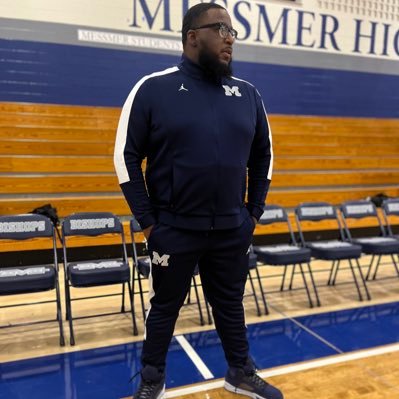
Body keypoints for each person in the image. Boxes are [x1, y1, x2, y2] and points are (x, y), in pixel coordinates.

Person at [114, 3, 283, 399]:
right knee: (164, 308)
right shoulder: (154, 87)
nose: (230, 38)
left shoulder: (247, 94)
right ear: (193, 36)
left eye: (233, 32)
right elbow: (125, 155)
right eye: (221, 28)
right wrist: (149, 221)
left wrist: (252, 213)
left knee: (231, 304)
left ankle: (240, 372)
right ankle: (153, 378)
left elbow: (265, 155)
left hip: (230, 228)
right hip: (173, 228)